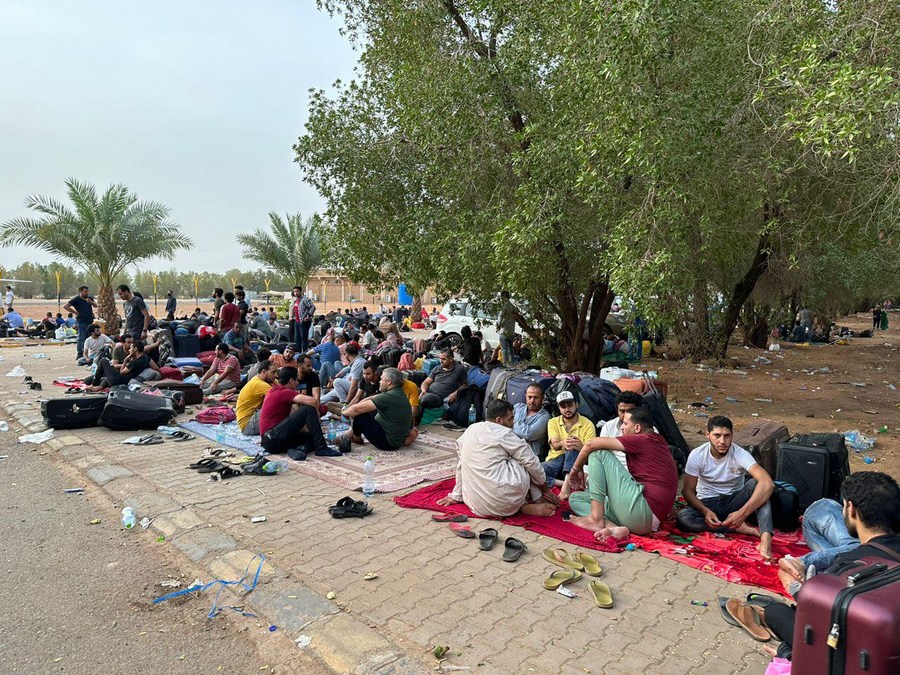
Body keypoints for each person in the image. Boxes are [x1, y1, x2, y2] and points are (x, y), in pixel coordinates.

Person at [763, 472, 900, 661]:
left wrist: (793, 587)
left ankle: (793, 650)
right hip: (887, 638)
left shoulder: (845, 567)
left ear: (850, 510)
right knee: (822, 509)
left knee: (775, 612)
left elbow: (817, 614)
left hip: (859, 652)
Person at [566, 406, 678, 541]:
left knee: (598, 452)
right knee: (576, 498)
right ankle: (612, 527)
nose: (622, 428)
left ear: (637, 428)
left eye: (625, 424)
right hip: (644, 519)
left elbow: (591, 444)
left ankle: (595, 519)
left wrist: (575, 470)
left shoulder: (644, 439)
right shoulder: (657, 440)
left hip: (642, 511)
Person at [438, 399, 560, 518]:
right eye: (510, 419)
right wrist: (545, 490)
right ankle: (533, 501)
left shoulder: (471, 429)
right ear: (499, 420)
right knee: (525, 459)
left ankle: (526, 504)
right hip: (506, 502)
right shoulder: (504, 433)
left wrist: (456, 495)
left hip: (476, 505)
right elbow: (531, 462)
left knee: (469, 459)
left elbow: (461, 465)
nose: (513, 422)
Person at [675, 416, 775, 559]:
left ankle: (765, 541)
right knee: (683, 519)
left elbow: (767, 483)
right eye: (717, 435)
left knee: (759, 486)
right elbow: (688, 491)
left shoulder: (740, 454)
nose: (722, 441)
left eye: (727, 436)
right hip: (708, 503)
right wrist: (705, 511)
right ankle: (736, 528)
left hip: (735, 501)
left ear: (732, 436)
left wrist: (742, 513)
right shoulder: (697, 455)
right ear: (707, 435)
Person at [259, 366, 334, 459]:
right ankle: (322, 448)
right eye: (296, 380)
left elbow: (294, 415)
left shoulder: (273, 390)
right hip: (272, 437)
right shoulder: (283, 392)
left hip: (271, 441)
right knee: (308, 409)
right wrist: (317, 415)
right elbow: (313, 402)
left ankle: (298, 449)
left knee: (313, 436)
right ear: (291, 381)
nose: (298, 383)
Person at [335, 367, 412, 452]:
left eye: (381, 379)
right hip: (395, 439)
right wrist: (351, 407)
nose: (379, 381)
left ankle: (356, 438)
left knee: (360, 415)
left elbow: (356, 410)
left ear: (388, 382)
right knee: (362, 409)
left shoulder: (389, 397)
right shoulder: (397, 392)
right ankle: (350, 434)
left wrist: (343, 411)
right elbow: (371, 398)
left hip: (388, 442)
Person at [544, 390, 596, 485]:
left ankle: (566, 484)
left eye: (569, 405)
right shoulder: (553, 422)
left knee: (572, 446)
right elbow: (555, 445)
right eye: (563, 406)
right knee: (534, 472)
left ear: (576, 404)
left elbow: (592, 453)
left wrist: (581, 447)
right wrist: (563, 443)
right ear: (559, 408)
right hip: (556, 459)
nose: (567, 409)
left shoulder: (588, 424)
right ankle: (564, 484)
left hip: (578, 462)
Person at [597, 390, 646, 470]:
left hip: (638, 472)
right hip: (613, 471)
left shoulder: (647, 429)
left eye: (629, 411)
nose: (625, 415)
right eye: (622, 411)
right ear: (617, 410)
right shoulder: (609, 426)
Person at [418, 349, 467, 423]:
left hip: (440, 398)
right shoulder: (437, 368)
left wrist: (456, 393)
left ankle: (417, 420)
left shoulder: (460, 369)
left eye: (443, 359)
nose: (441, 361)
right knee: (413, 390)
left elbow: (465, 385)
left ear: (451, 359)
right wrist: (424, 390)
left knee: (426, 398)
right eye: (440, 359)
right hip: (428, 392)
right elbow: (426, 382)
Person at [86, 339, 157, 390]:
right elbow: (156, 368)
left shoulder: (134, 362)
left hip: (118, 381)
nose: (129, 350)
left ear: (135, 349)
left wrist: (125, 360)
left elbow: (121, 372)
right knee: (106, 374)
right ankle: (98, 387)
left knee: (103, 361)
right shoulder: (146, 357)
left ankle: (94, 384)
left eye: (131, 348)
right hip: (123, 380)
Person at [236, 359, 277, 435]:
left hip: (250, 419)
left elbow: (282, 387)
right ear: (264, 372)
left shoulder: (264, 379)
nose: (275, 375)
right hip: (247, 426)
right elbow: (281, 396)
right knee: (279, 405)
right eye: (273, 372)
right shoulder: (259, 384)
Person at [513, 384, 550, 459]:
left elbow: (529, 433)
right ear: (525, 396)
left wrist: (511, 423)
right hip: (511, 450)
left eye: (536, 398)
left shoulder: (545, 416)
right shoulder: (517, 407)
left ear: (542, 398)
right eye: (529, 397)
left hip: (530, 457)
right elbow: (503, 424)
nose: (532, 401)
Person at [63, 285, 98, 361]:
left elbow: (96, 305)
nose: (87, 293)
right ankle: (79, 353)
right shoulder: (76, 299)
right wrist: (75, 312)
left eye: (87, 291)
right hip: (81, 321)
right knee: (81, 337)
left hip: (90, 320)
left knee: (89, 337)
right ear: (81, 291)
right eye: (85, 291)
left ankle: (88, 353)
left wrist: (91, 302)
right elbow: (65, 306)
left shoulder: (89, 298)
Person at [290, 286, 316, 352]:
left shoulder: (305, 299)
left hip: (304, 322)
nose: (296, 293)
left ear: (300, 292)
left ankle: (305, 352)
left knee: (303, 338)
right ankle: (298, 352)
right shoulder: (296, 300)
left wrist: (308, 317)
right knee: (297, 338)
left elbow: (312, 307)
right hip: (297, 321)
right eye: (294, 292)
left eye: (297, 291)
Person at [496, 290, 516, 365]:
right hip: (511, 330)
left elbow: (500, 316)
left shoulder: (504, 306)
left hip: (504, 330)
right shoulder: (513, 306)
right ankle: (513, 363)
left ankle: (505, 364)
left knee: (504, 349)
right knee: (511, 349)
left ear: (504, 296)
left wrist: (498, 325)